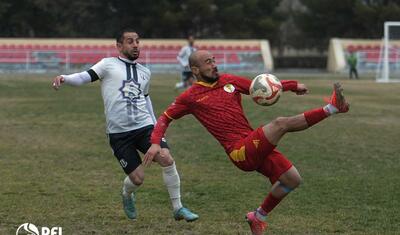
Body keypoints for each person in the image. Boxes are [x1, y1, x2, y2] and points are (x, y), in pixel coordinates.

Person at [144, 50, 349, 234]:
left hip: (252, 143)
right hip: (239, 151)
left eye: (214, 60)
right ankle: (332, 108)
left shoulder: (228, 80)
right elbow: (165, 118)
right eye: (208, 62)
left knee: (292, 179)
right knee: (280, 124)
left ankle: (258, 217)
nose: (214, 64)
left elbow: (258, 86)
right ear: (195, 69)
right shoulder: (190, 97)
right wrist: (155, 142)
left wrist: (292, 86)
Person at [51, 29, 198, 222]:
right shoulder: (108, 65)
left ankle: (178, 208)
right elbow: (83, 77)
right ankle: (127, 194)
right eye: (130, 41)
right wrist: (65, 77)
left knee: (166, 158)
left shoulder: (145, 72)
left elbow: (146, 100)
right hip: (119, 134)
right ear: (119, 46)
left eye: (137, 41)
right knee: (137, 179)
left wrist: (157, 128)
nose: (136, 45)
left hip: (144, 127)